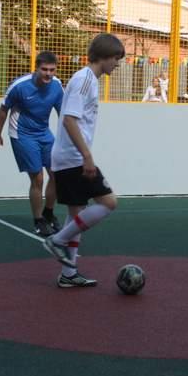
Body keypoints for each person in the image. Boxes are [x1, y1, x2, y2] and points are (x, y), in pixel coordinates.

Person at [43, 33, 125, 288]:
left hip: (69, 156)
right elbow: (69, 119)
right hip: (73, 157)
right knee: (108, 202)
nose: (117, 64)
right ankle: (56, 240)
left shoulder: (89, 80)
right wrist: (87, 156)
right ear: (104, 56)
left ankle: (68, 273)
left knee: (76, 213)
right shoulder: (85, 80)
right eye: (116, 58)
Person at [0, 51, 63, 237]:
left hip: (44, 133)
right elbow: (3, 110)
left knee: (57, 174)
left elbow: (63, 114)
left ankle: (48, 213)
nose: (48, 74)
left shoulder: (57, 86)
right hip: (22, 134)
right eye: (44, 69)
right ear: (36, 68)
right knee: (38, 178)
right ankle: (38, 221)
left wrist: (67, 140)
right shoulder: (20, 86)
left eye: (52, 70)